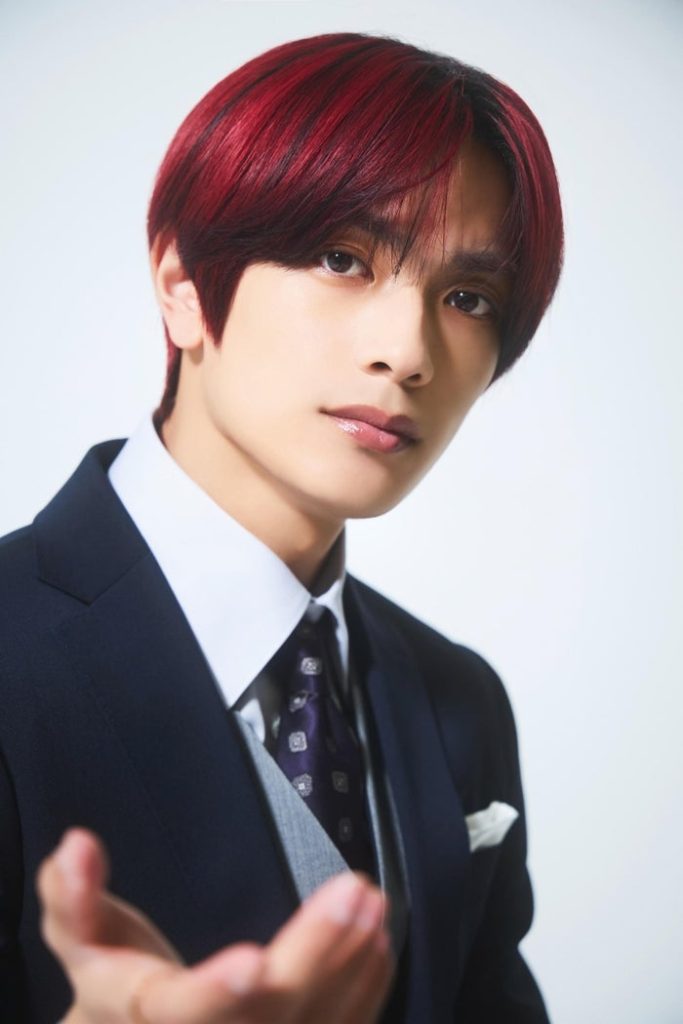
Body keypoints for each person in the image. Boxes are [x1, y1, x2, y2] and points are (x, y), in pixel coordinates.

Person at [0, 30, 563, 1024]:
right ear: (181, 284)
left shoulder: (458, 700)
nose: (407, 351)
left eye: (466, 297)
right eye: (342, 258)